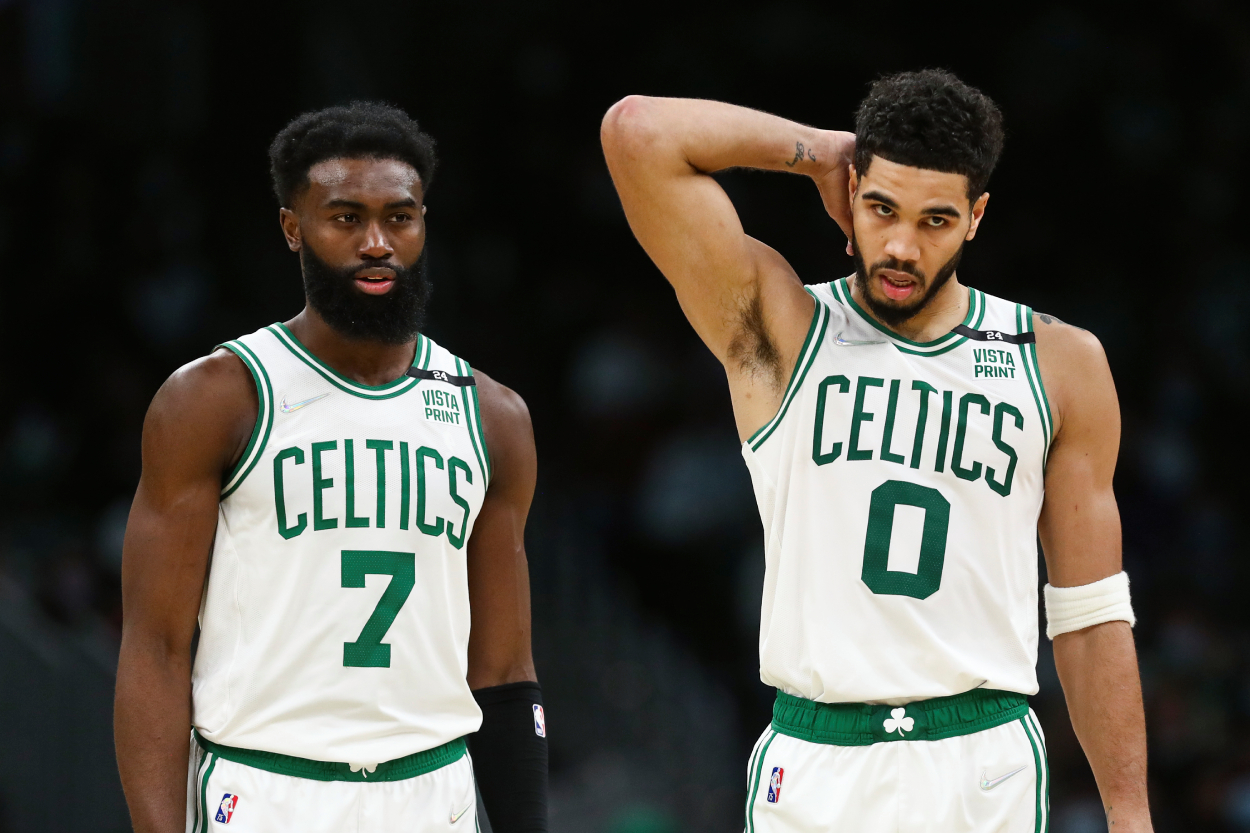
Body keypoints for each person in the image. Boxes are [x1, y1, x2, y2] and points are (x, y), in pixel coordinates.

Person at [601, 70, 1151, 832]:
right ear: (851, 192)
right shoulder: (783, 328)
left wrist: (1130, 814)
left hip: (979, 755)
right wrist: (817, 150)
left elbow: (1090, 615)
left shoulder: (1059, 362)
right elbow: (638, 133)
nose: (899, 245)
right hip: (817, 753)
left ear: (976, 217)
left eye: (934, 220)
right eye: (881, 207)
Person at [115, 102, 548, 833]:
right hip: (265, 786)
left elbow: (504, 670)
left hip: (429, 790)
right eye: (346, 218)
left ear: (422, 223)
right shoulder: (217, 397)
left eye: (399, 218)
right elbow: (156, 649)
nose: (377, 242)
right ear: (294, 228)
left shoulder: (492, 415)